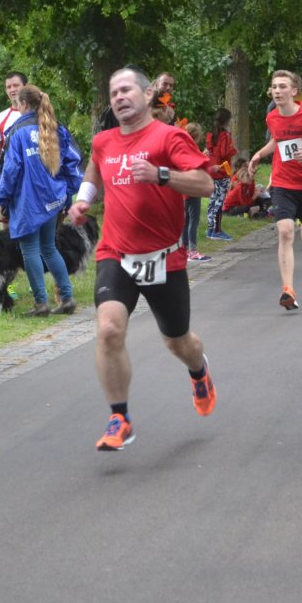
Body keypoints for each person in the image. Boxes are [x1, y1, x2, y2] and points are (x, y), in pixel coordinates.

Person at [67, 66, 216, 452]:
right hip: (116, 253)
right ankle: (120, 417)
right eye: (113, 92)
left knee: (178, 342)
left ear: (148, 95)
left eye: (126, 89)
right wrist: (83, 200)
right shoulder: (103, 141)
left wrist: (161, 175)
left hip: (164, 258)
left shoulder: (170, 137)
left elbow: (205, 184)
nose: (119, 97)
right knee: (109, 329)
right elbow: (94, 172)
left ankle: (198, 370)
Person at [247, 70, 302, 311]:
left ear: (293, 91)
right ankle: (288, 290)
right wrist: (259, 154)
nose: (277, 91)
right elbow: (277, 140)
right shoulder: (272, 117)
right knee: (285, 232)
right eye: (274, 86)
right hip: (283, 183)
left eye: (282, 86)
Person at [0, 85, 82, 316]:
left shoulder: (17, 131)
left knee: (30, 250)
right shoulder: (55, 128)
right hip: (53, 199)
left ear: (23, 104)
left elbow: (10, 170)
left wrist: (0, 198)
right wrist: (67, 193)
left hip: (27, 202)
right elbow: (73, 162)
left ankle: (41, 303)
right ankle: (67, 298)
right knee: (49, 248)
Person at [0, 71, 27, 195]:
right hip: (9, 183)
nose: (12, 90)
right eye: (9, 87)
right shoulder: (0, 118)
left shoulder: (40, 115)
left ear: (26, 86)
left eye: (16, 85)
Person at [205, 108, 237, 241]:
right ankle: (216, 231)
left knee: (213, 200)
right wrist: (233, 150)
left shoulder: (211, 134)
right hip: (222, 170)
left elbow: (210, 150)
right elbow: (224, 153)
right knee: (219, 201)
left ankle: (210, 228)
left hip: (212, 170)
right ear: (227, 121)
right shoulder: (226, 135)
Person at [181, 122, 210, 261]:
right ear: (196, 137)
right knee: (193, 220)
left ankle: (184, 249)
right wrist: (204, 157)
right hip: (193, 189)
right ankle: (192, 251)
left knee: (186, 221)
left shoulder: (181, 148)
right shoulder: (192, 149)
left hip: (183, 190)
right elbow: (196, 167)